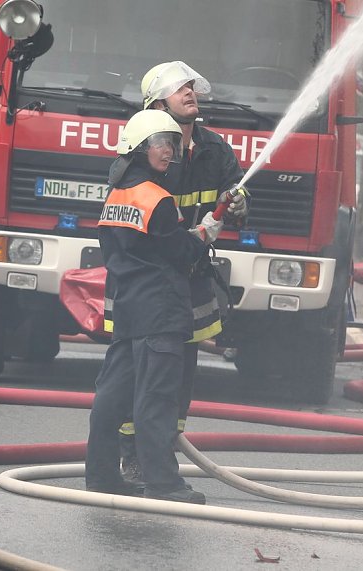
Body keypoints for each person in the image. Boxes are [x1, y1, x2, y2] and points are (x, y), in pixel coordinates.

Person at [118, 61, 248, 484]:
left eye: (192, 85)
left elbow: (236, 196)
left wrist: (242, 206)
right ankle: (133, 455)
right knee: (137, 373)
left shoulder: (216, 149)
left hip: (190, 279)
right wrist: (192, 236)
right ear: (157, 104)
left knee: (180, 373)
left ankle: (163, 451)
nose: (190, 91)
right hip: (150, 278)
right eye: (179, 88)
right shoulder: (149, 151)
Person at [85, 109, 222, 504]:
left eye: (172, 144)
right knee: (157, 400)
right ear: (138, 149)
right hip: (161, 311)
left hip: (128, 309)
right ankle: (164, 483)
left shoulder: (115, 196)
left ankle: (102, 476)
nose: (169, 152)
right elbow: (179, 253)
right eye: (162, 144)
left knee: (111, 399)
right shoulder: (159, 199)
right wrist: (203, 234)